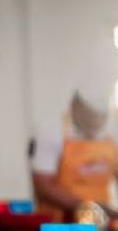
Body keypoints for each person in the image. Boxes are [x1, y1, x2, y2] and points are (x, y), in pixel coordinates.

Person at [30, 82, 118, 221]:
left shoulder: (113, 131)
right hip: (58, 223)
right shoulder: (52, 130)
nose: (95, 122)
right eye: (89, 116)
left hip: (102, 222)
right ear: (75, 106)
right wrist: (89, 207)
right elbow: (42, 186)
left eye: (101, 116)